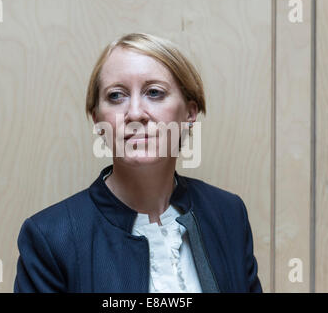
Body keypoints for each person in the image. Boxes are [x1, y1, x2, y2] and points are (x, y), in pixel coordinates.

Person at [14, 32, 262, 293]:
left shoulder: (228, 214)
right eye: (116, 96)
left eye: (154, 93)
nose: (134, 113)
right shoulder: (50, 237)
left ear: (190, 113)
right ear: (97, 119)